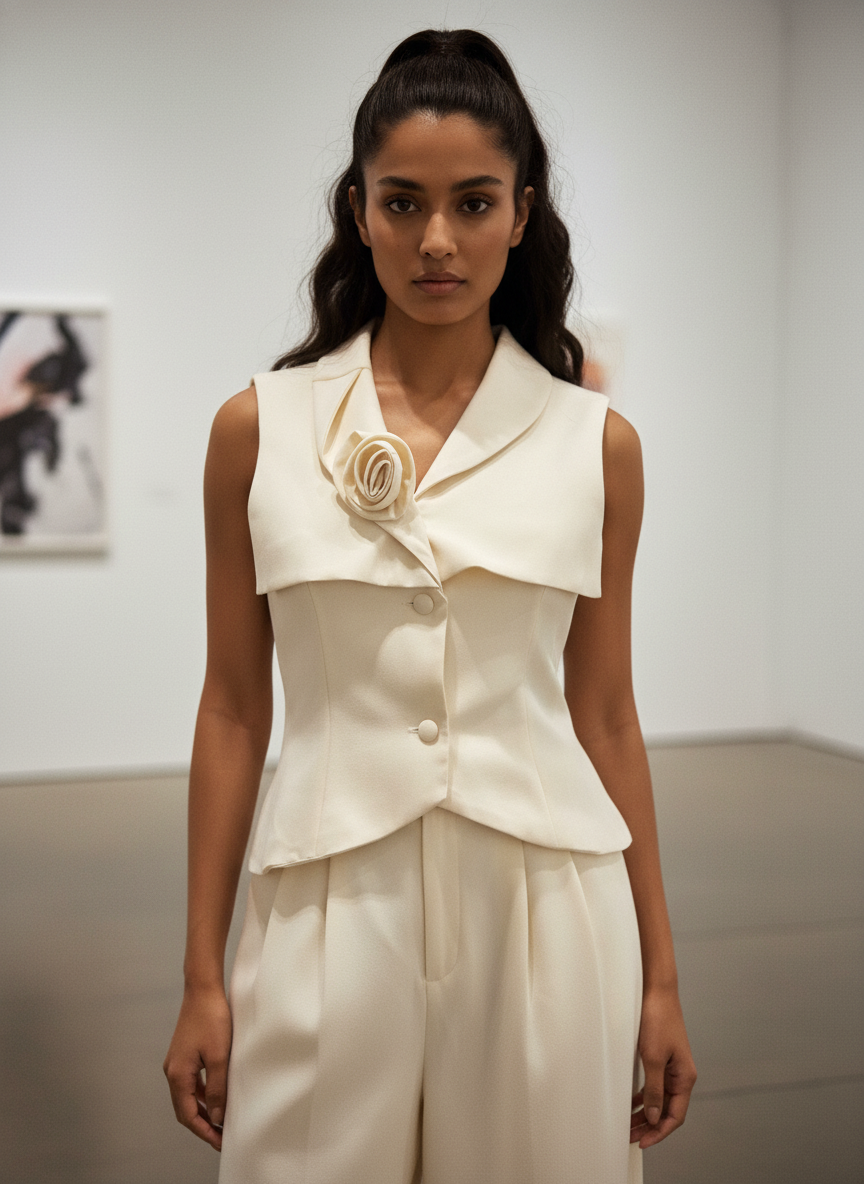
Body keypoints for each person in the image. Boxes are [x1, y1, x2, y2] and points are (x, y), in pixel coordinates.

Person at [164, 27, 697, 1184]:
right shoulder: (257, 429)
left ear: (522, 211)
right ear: (358, 210)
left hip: (547, 908)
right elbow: (231, 711)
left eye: (473, 202)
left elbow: (605, 713)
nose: (437, 240)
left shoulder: (595, 446)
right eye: (403, 202)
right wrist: (203, 975)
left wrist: (660, 975)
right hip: (319, 900)